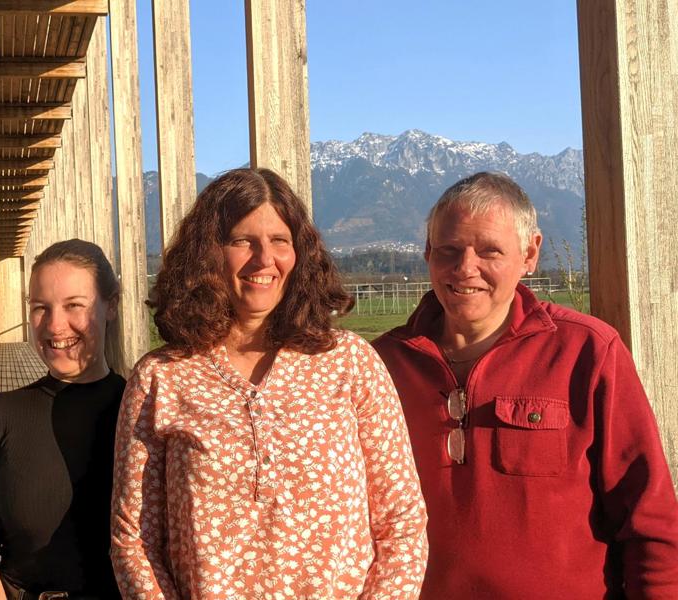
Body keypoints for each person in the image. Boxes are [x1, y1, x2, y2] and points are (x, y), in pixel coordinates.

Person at [111, 168, 428, 599]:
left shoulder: (350, 363)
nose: (264, 259)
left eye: (280, 241)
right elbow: (135, 540)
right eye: (242, 241)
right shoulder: (161, 377)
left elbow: (402, 522)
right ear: (207, 253)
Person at [373, 171, 678, 598]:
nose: (465, 268)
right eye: (449, 249)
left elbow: (649, 518)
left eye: (489, 251)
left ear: (530, 254)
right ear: (427, 251)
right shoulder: (379, 366)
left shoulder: (586, 352)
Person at [0, 239, 125, 600]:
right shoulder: (0, 414)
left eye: (74, 306)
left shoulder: (141, 411)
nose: (54, 325)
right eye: (40, 308)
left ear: (110, 306)